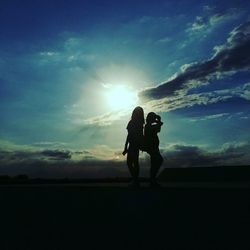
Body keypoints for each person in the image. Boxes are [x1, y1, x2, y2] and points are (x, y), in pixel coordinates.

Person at [123, 106, 145, 187]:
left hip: (134, 144)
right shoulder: (139, 123)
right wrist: (126, 147)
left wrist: (126, 147)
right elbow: (130, 135)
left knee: (131, 163)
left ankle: (135, 180)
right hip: (134, 144)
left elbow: (130, 135)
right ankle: (136, 180)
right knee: (134, 162)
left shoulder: (134, 122)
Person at [144, 112, 163, 187]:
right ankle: (152, 179)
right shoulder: (148, 126)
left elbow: (159, 127)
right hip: (152, 147)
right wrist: (158, 120)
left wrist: (157, 120)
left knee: (154, 163)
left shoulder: (149, 126)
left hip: (154, 147)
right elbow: (159, 127)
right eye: (153, 118)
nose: (154, 119)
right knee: (159, 160)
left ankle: (152, 180)